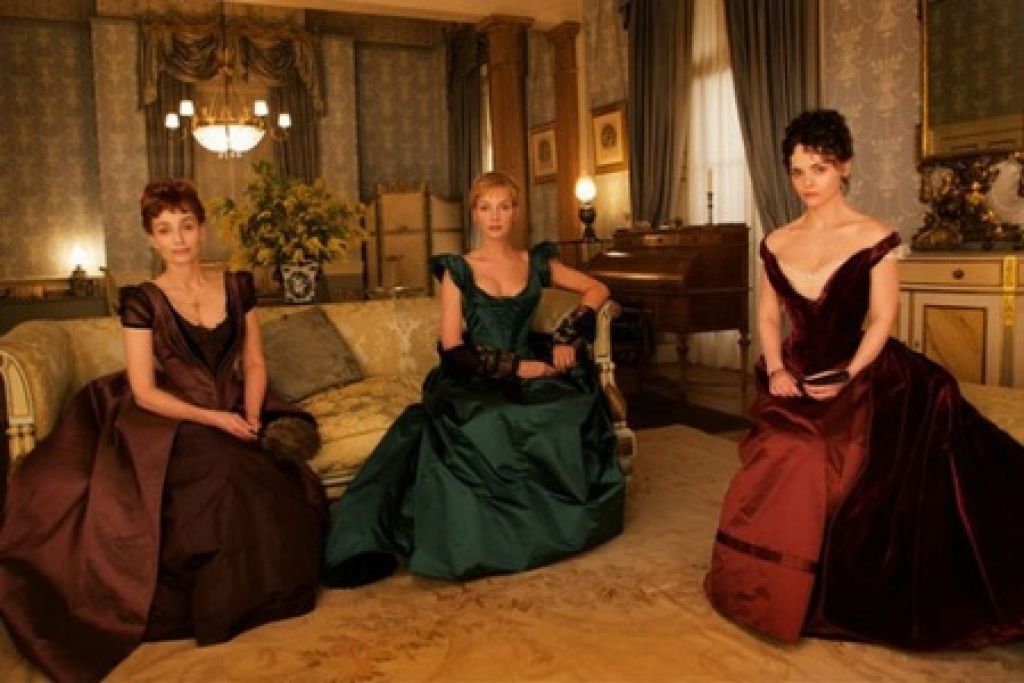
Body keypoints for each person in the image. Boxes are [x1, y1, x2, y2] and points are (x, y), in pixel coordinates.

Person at [705, 109, 1024, 650]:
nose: (807, 182)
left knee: (818, 453)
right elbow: (767, 317)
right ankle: (760, 585)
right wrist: (777, 369)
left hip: (866, 373)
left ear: (845, 167)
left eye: (820, 168)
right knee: (784, 448)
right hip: (794, 373)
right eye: (798, 171)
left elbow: (881, 320)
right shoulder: (777, 240)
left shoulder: (874, 236)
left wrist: (848, 374)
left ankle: (807, 589)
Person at [0, 179, 328, 682]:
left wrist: (251, 416)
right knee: (223, 471)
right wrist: (214, 419)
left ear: (202, 229)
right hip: (172, 416)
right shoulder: (142, 300)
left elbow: (255, 362)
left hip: (234, 404)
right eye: (165, 230)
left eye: (187, 226)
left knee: (269, 472)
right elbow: (144, 390)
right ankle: (222, 604)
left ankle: (268, 594)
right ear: (151, 238)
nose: (178, 239)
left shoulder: (238, 286)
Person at [323, 171, 626, 585]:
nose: (495, 216)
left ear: (515, 212)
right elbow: (453, 347)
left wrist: (568, 334)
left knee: (565, 408)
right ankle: (489, 539)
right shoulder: (459, 270)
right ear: (475, 214)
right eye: (486, 208)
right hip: (475, 373)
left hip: (532, 369)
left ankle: (546, 527)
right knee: (491, 419)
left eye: (503, 207)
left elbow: (597, 289)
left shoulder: (535, 262)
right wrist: (516, 368)